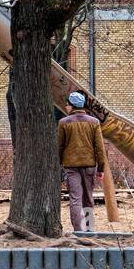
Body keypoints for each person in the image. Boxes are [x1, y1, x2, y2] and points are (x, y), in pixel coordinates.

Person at [57, 91, 106, 231]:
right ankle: (89, 229)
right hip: (90, 166)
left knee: (75, 199)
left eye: (67, 105)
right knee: (88, 199)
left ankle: (78, 230)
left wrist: (59, 163)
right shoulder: (94, 122)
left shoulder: (64, 123)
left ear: (71, 106)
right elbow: (99, 148)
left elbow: (60, 146)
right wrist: (101, 168)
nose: (66, 107)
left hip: (71, 167)